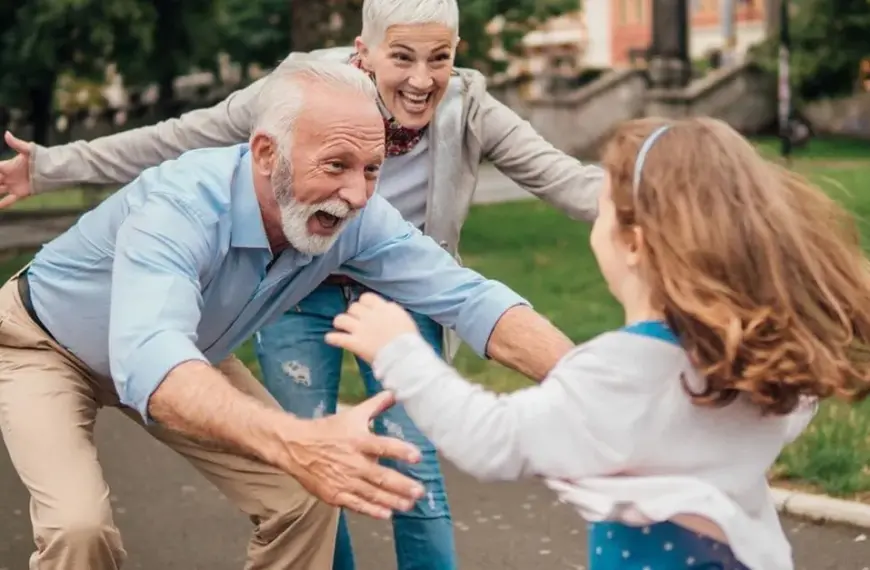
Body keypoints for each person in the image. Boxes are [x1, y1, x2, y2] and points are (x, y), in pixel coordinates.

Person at [0, 1, 601, 568]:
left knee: (308, 496)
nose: (358, 196)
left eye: (373, 170)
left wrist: (592, 385)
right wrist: (297, 439)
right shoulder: (181, 206)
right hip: (47, 346)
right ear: (266, 154)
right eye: (336, 166)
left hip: (186, 353)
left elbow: (470, 298)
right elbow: (151, 358)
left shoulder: (358, 215)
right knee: (78, 526)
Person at [323, 117, 870, 570]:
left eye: (601, 207)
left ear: (633, 242)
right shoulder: (763, 365)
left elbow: (492, 440)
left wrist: (399, 350)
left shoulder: (621, 373)